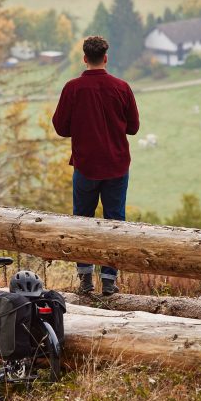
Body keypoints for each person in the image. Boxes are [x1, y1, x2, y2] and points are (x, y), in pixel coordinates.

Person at [52, 36, 139, 296]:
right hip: (116, 165)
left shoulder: (73, 88)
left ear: (84, 58)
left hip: (86, 166)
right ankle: (109, 280)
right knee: (115, 221)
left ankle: (85, 279)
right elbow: (133, 127)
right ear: (106, 57)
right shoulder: (121, 87)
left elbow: (60, 127)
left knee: (82, 221)